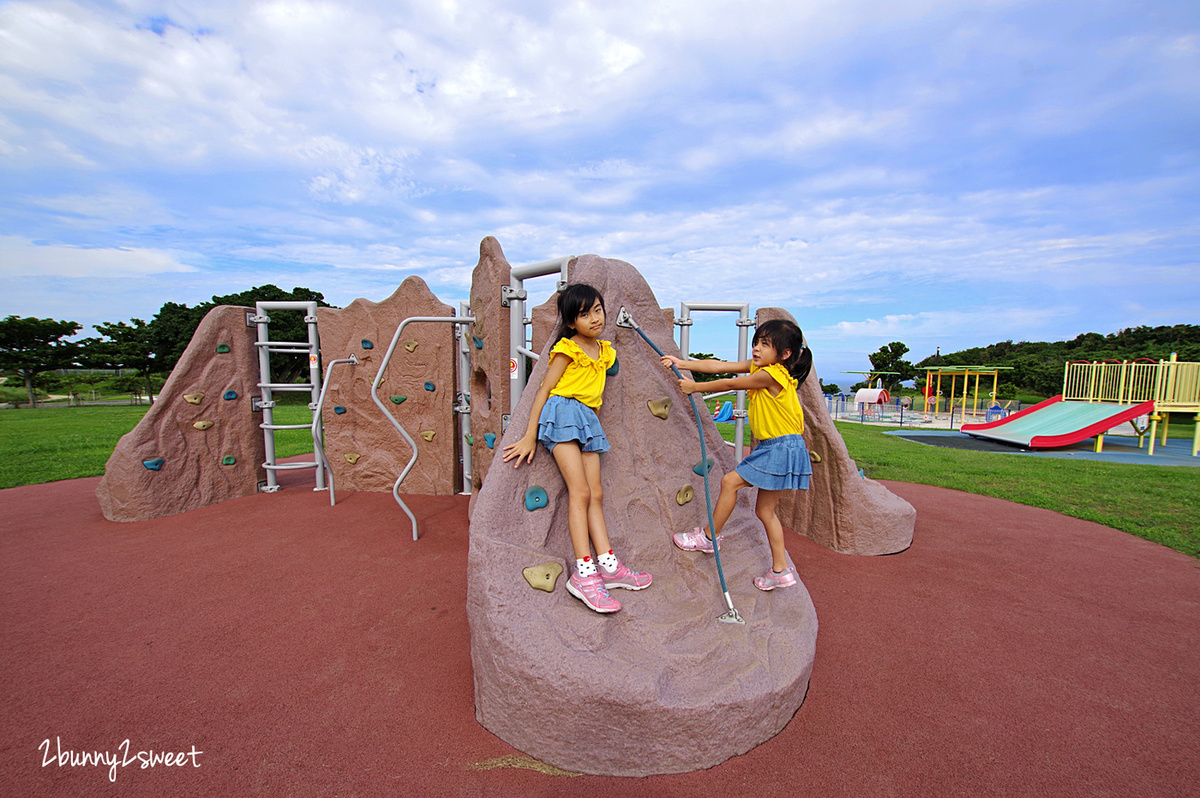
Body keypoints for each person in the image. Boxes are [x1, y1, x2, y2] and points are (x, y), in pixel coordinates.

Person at [502, 283, 652, 613]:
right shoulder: (568, 349)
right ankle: (584, 574)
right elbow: (544, 390)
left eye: (597, 310)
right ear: (572, 322)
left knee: (596, 493)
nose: (594, 318)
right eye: (585, 314)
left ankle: (608, 566)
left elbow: (595, 397)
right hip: (562, 412)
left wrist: (592, 427)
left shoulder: (606, 352)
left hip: (588, 420)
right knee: (580, 492)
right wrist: (530, 434)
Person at [660, 319, 813, 591]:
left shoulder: (772, 374)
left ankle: (709, 537)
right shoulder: (762, 368)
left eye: (766, 344)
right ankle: (781, 570)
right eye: (757, 342)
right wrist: (683, 364)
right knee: (765, 511)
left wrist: (695, 388)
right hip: (784, 446)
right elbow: (719, 366)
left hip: (780, 446)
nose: (757, 348)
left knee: (730, 482)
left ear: (785, 354)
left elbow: (731, 382)